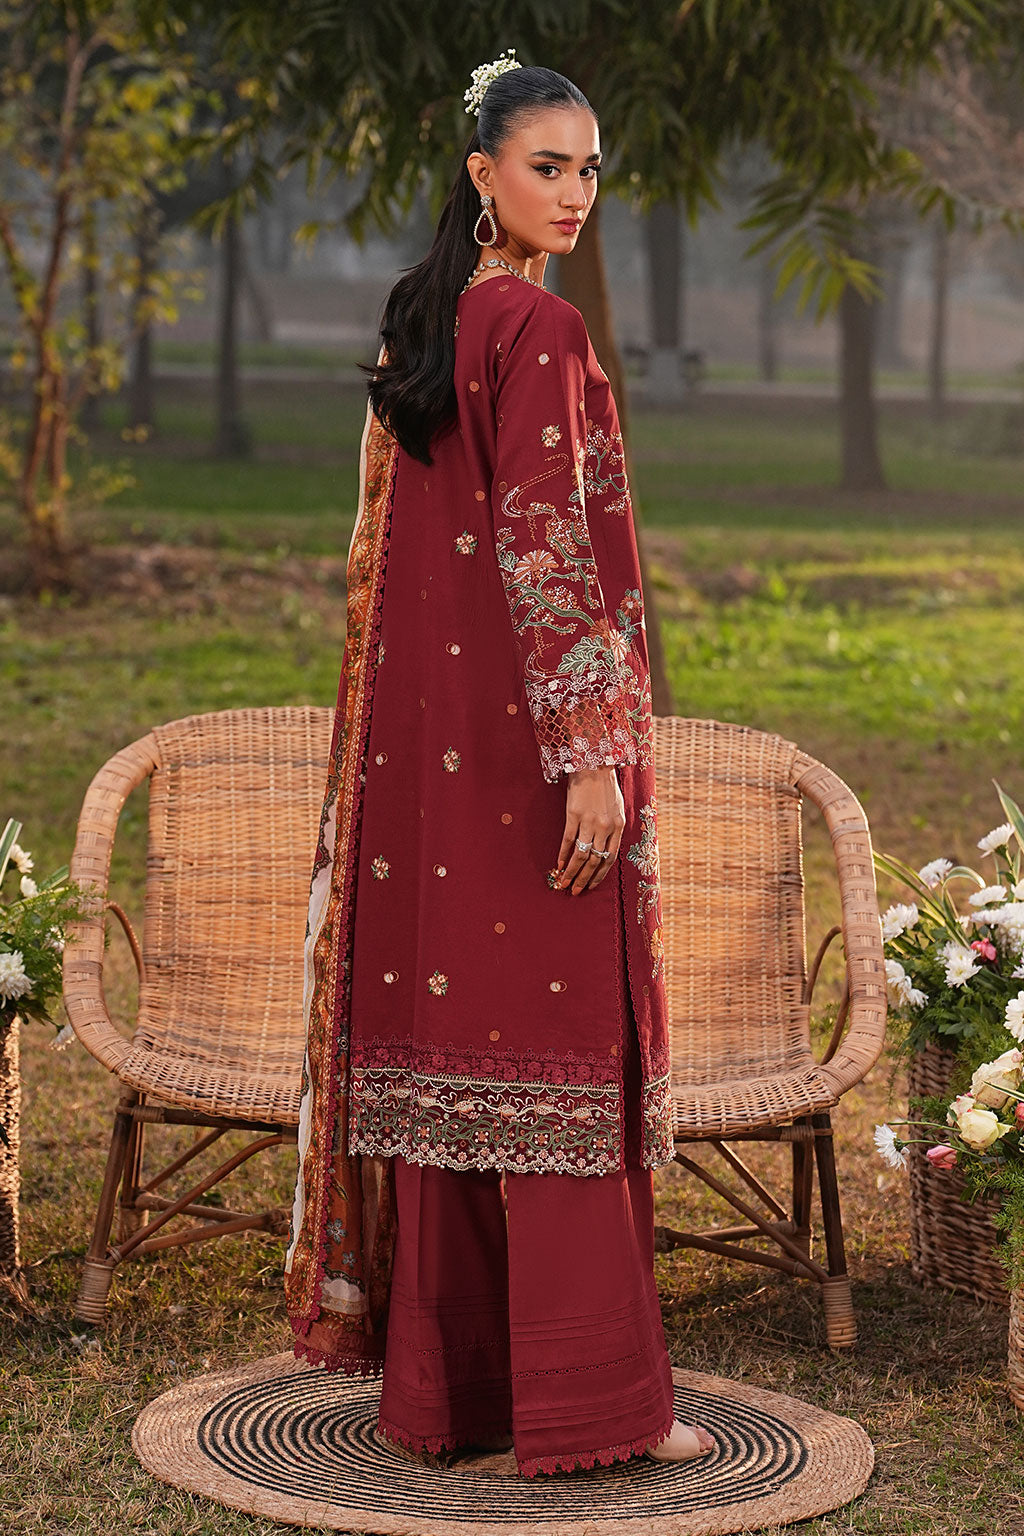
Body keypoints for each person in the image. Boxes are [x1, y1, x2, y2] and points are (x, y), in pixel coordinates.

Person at [284, 49, 715, 1477]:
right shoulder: (536, 323)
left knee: (460, 1048)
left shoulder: (432, 318)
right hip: (531, 754)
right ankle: (593, 1406)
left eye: (591, 170)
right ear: (482, 174)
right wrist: (592, 755)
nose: (577, 192)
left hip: (428, 761)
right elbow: (544, 543)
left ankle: (445, 1396)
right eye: (548, 166)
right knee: (561, 1053)